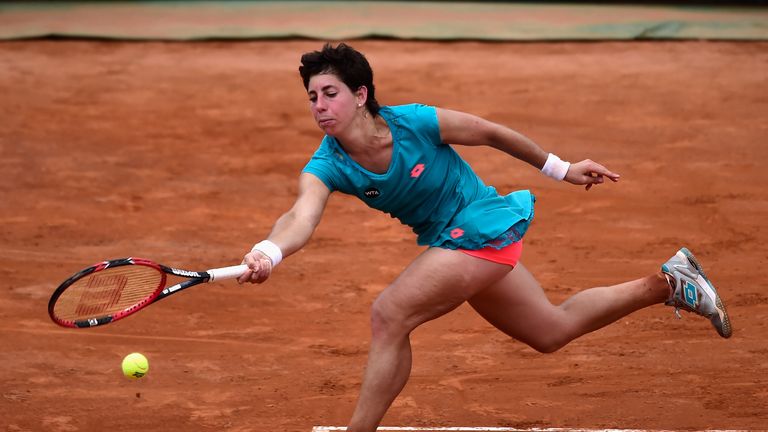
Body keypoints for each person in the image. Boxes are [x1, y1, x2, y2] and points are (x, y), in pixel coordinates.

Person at [237, 43, 732, 432]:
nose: (320, 106)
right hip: (454, 242)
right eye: (312, 98)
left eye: (330, 93)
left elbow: (490, 132)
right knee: (550, 331)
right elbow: (300, 216)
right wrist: (269, 251)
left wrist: (561, 169)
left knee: (389, 315)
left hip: (479, 223)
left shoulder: (414, 122)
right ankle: (670, 283)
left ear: (361, 94)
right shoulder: (328, 163)